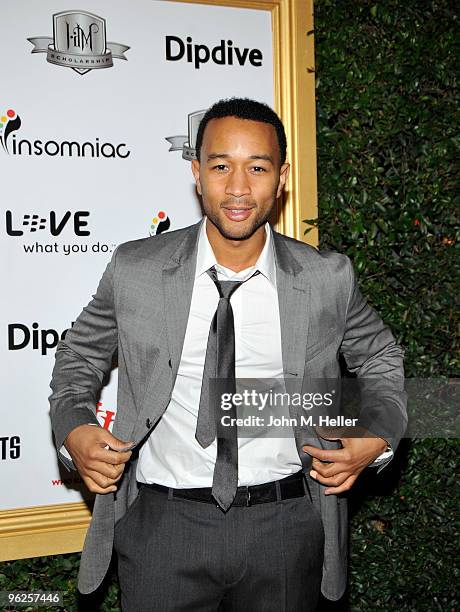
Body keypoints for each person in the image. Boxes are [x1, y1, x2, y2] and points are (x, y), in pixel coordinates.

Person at [49, 97, 407, 611]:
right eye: (221, 167)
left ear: (282, 176)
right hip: (162, 526)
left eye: (257, 168)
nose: (238, 188)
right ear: (197, 173)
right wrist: (74, 427)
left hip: (286, 526)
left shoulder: (326, 278)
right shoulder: (136, 269)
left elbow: (381, 357)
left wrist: (378, 434)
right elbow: (78, 358)